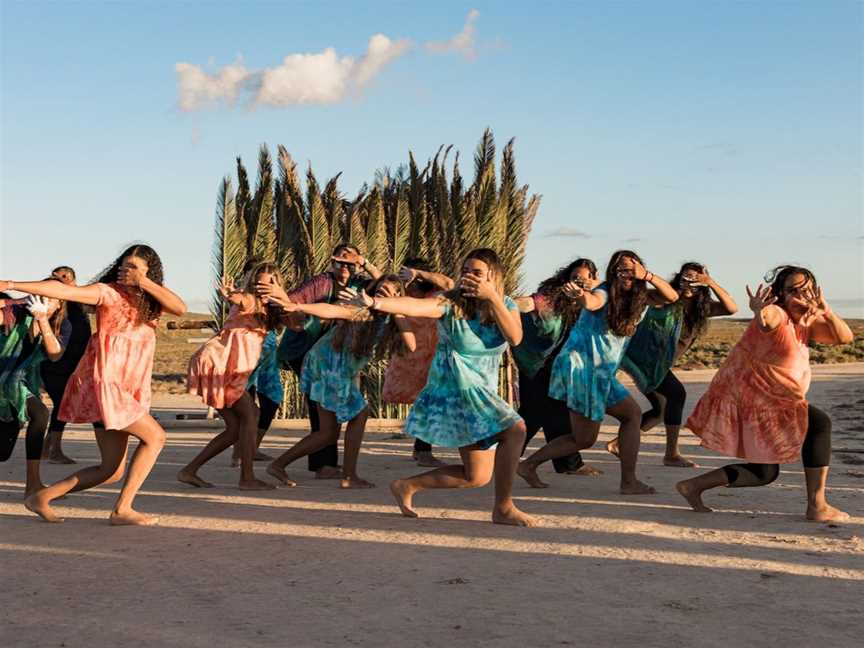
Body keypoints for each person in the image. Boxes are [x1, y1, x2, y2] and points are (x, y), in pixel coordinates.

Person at [2, 244, 187, 525]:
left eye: (134, 267)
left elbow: (181, 308)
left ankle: (42, 497)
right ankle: (122, 509)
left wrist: (144, 283)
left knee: (111, 470)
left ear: (150, 271)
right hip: (108, 382)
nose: (127, 271)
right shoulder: (107, 292)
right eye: (124, 265)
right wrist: (11, 283)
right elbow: (65, 291)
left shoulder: (151, 300)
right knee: (156, 437)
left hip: (129, 385)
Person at [356, 248, 536, 526]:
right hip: (457, 393)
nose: (469, 276)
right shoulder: (451, 304)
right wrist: (376, 303)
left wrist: (492, 298)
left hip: (482, 392)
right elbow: (415, 306)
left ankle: (407, 485)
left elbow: (514, 337)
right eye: (465, 270)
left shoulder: (506, 304)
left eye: (477, 272)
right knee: (516, 430)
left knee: (476, 476)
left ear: (493, 277)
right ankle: (503, 508)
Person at [676, 266, 853, 522]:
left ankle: (692, 486)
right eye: (793, 290)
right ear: (780, 294)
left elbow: (844, 338)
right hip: (765, 403)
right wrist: (760, 310)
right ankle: (817, 506)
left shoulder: (806, 322)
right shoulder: (778, 314)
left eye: (806, 289)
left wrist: (828, 311)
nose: (801, 296)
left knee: (764, 472)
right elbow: (766, 319)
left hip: (772, 402)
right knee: (819, 424)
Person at [518, 250, 678, 494]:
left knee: (617, 422)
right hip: (583, 369)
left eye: (629, 269)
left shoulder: (642, 297)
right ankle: (530, 465)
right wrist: (582, 295)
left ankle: (627, 481)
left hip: (602, 372)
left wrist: (647, 276)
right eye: (618, 269)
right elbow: (593, 302)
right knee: (598, 432)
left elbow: (672, 296)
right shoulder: (604, 290)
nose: (624, 273)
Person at [265, 274, 415, 489]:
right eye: (379, 292)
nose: (381, 296)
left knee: (327, 434)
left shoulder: (391, 320)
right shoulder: (363, 312)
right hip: (328, 366)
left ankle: (278, 465)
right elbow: (332, 310)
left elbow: (411, 344)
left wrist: (396, 309)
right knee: (360, 413)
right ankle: (350, 476)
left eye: (389, 293)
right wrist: (298, 307)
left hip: (329, 367)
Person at [260, 243, 382, 479]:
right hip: (308, 352)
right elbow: (295, 302)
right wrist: (292, 306)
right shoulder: (321, 283)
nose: (344, 267)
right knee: (324, 413)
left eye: (350, 263)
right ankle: (325, 466)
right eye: (339, 262)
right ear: (332, 262)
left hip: (337, 357)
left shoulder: (362, 286)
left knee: (330, 419)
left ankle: (322, 464)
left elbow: (388, 285)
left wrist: (365, 262)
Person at [617, 262, 738, 467]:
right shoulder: (665, 297)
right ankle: (671, 454)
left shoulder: (702, 307)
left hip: (660, 365)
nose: (688, 282)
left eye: (694, 279)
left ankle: (620, 444)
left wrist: (711, 282)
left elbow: (731, 308)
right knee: (677, 394)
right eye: (685, 277)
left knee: (661, 409)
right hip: (645, 361)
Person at [179, 262, 284, 490]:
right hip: (219, 364)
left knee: (236, 427)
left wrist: (281, 296)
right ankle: (247, 478)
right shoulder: (249, 300)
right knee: (250, 416)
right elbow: (239, 299)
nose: (262, 288)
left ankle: (189, 470)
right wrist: (230, 295)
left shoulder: (272, 307)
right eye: (257, 282)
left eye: (268, 283)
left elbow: (297, 324)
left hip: (226, 367)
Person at [512, 258, 601, 477]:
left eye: (585, 279)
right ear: (566, 278)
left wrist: (594, 288)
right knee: (534, 415)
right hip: (538, 365)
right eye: (575, 278)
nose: (579, 283)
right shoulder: (553, 296)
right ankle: (507, 456)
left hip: (561, 368)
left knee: (550, 414)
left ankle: (566, 464)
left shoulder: (591, 301)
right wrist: (505, 305)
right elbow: (531, 303)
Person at [381, 258, 454, 467]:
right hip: (411, 358)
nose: (408, 281)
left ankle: (422, 449)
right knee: (426, 403)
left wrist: (418, 273)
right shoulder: (401, 297)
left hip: (431, 358)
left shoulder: (435, 297)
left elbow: (449, 284)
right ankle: (422, 451)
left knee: (428, 403)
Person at [0, 289, 70, 495]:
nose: (46, 300)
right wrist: (19, 301)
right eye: (43, 295)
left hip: (18, 381)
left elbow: (55, 354)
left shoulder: (63, 324)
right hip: (4, 378)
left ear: (60, 305)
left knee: (2, 452)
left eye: (52, 298)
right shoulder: (18, 312)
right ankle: (33, 485)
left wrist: (42, 320)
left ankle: (33, 485)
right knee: (40, 414)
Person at [40, 266, 92, 464]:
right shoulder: (56, 303)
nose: (60, 280)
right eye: (57, 277)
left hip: (74, 362)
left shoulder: (79, 301)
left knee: (63, 403)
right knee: (62, 403)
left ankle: (48, 447)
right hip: (56, 362)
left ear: (73, 279)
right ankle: (54, 450)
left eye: (64, 276)